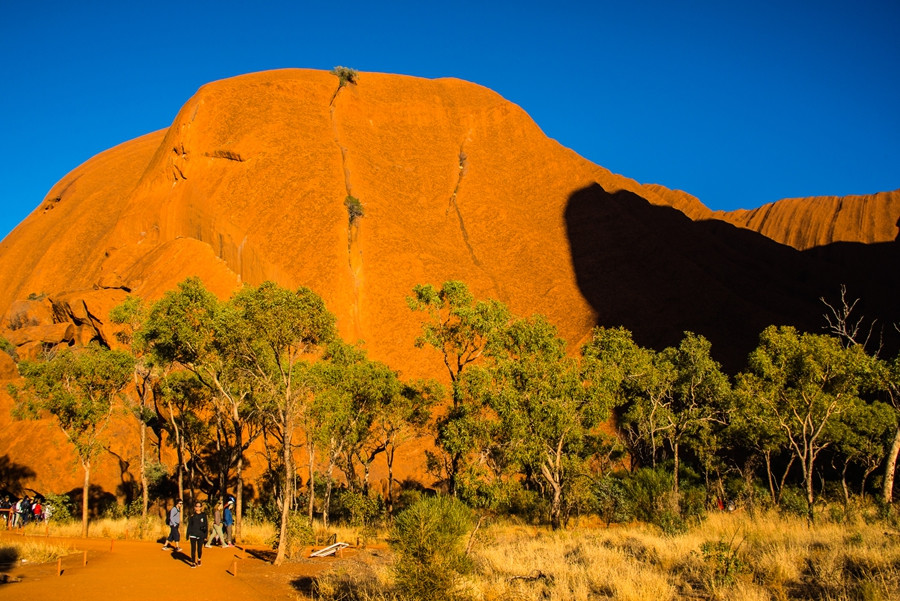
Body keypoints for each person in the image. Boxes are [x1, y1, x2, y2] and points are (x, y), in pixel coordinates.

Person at [186, 501, 209, 568]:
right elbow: (189, 525)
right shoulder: (192, 516)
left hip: (201, 534)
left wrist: (205, 535)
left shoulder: (203, 515)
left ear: (201, 507)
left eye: (199, 506)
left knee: (199, 549)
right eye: (196, 506)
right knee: (193, 549)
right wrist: (188, 534)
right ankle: (193, 562)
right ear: (194, 507)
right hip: (193, 534)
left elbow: (206, 525)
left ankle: (199, 559)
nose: (197, 508)